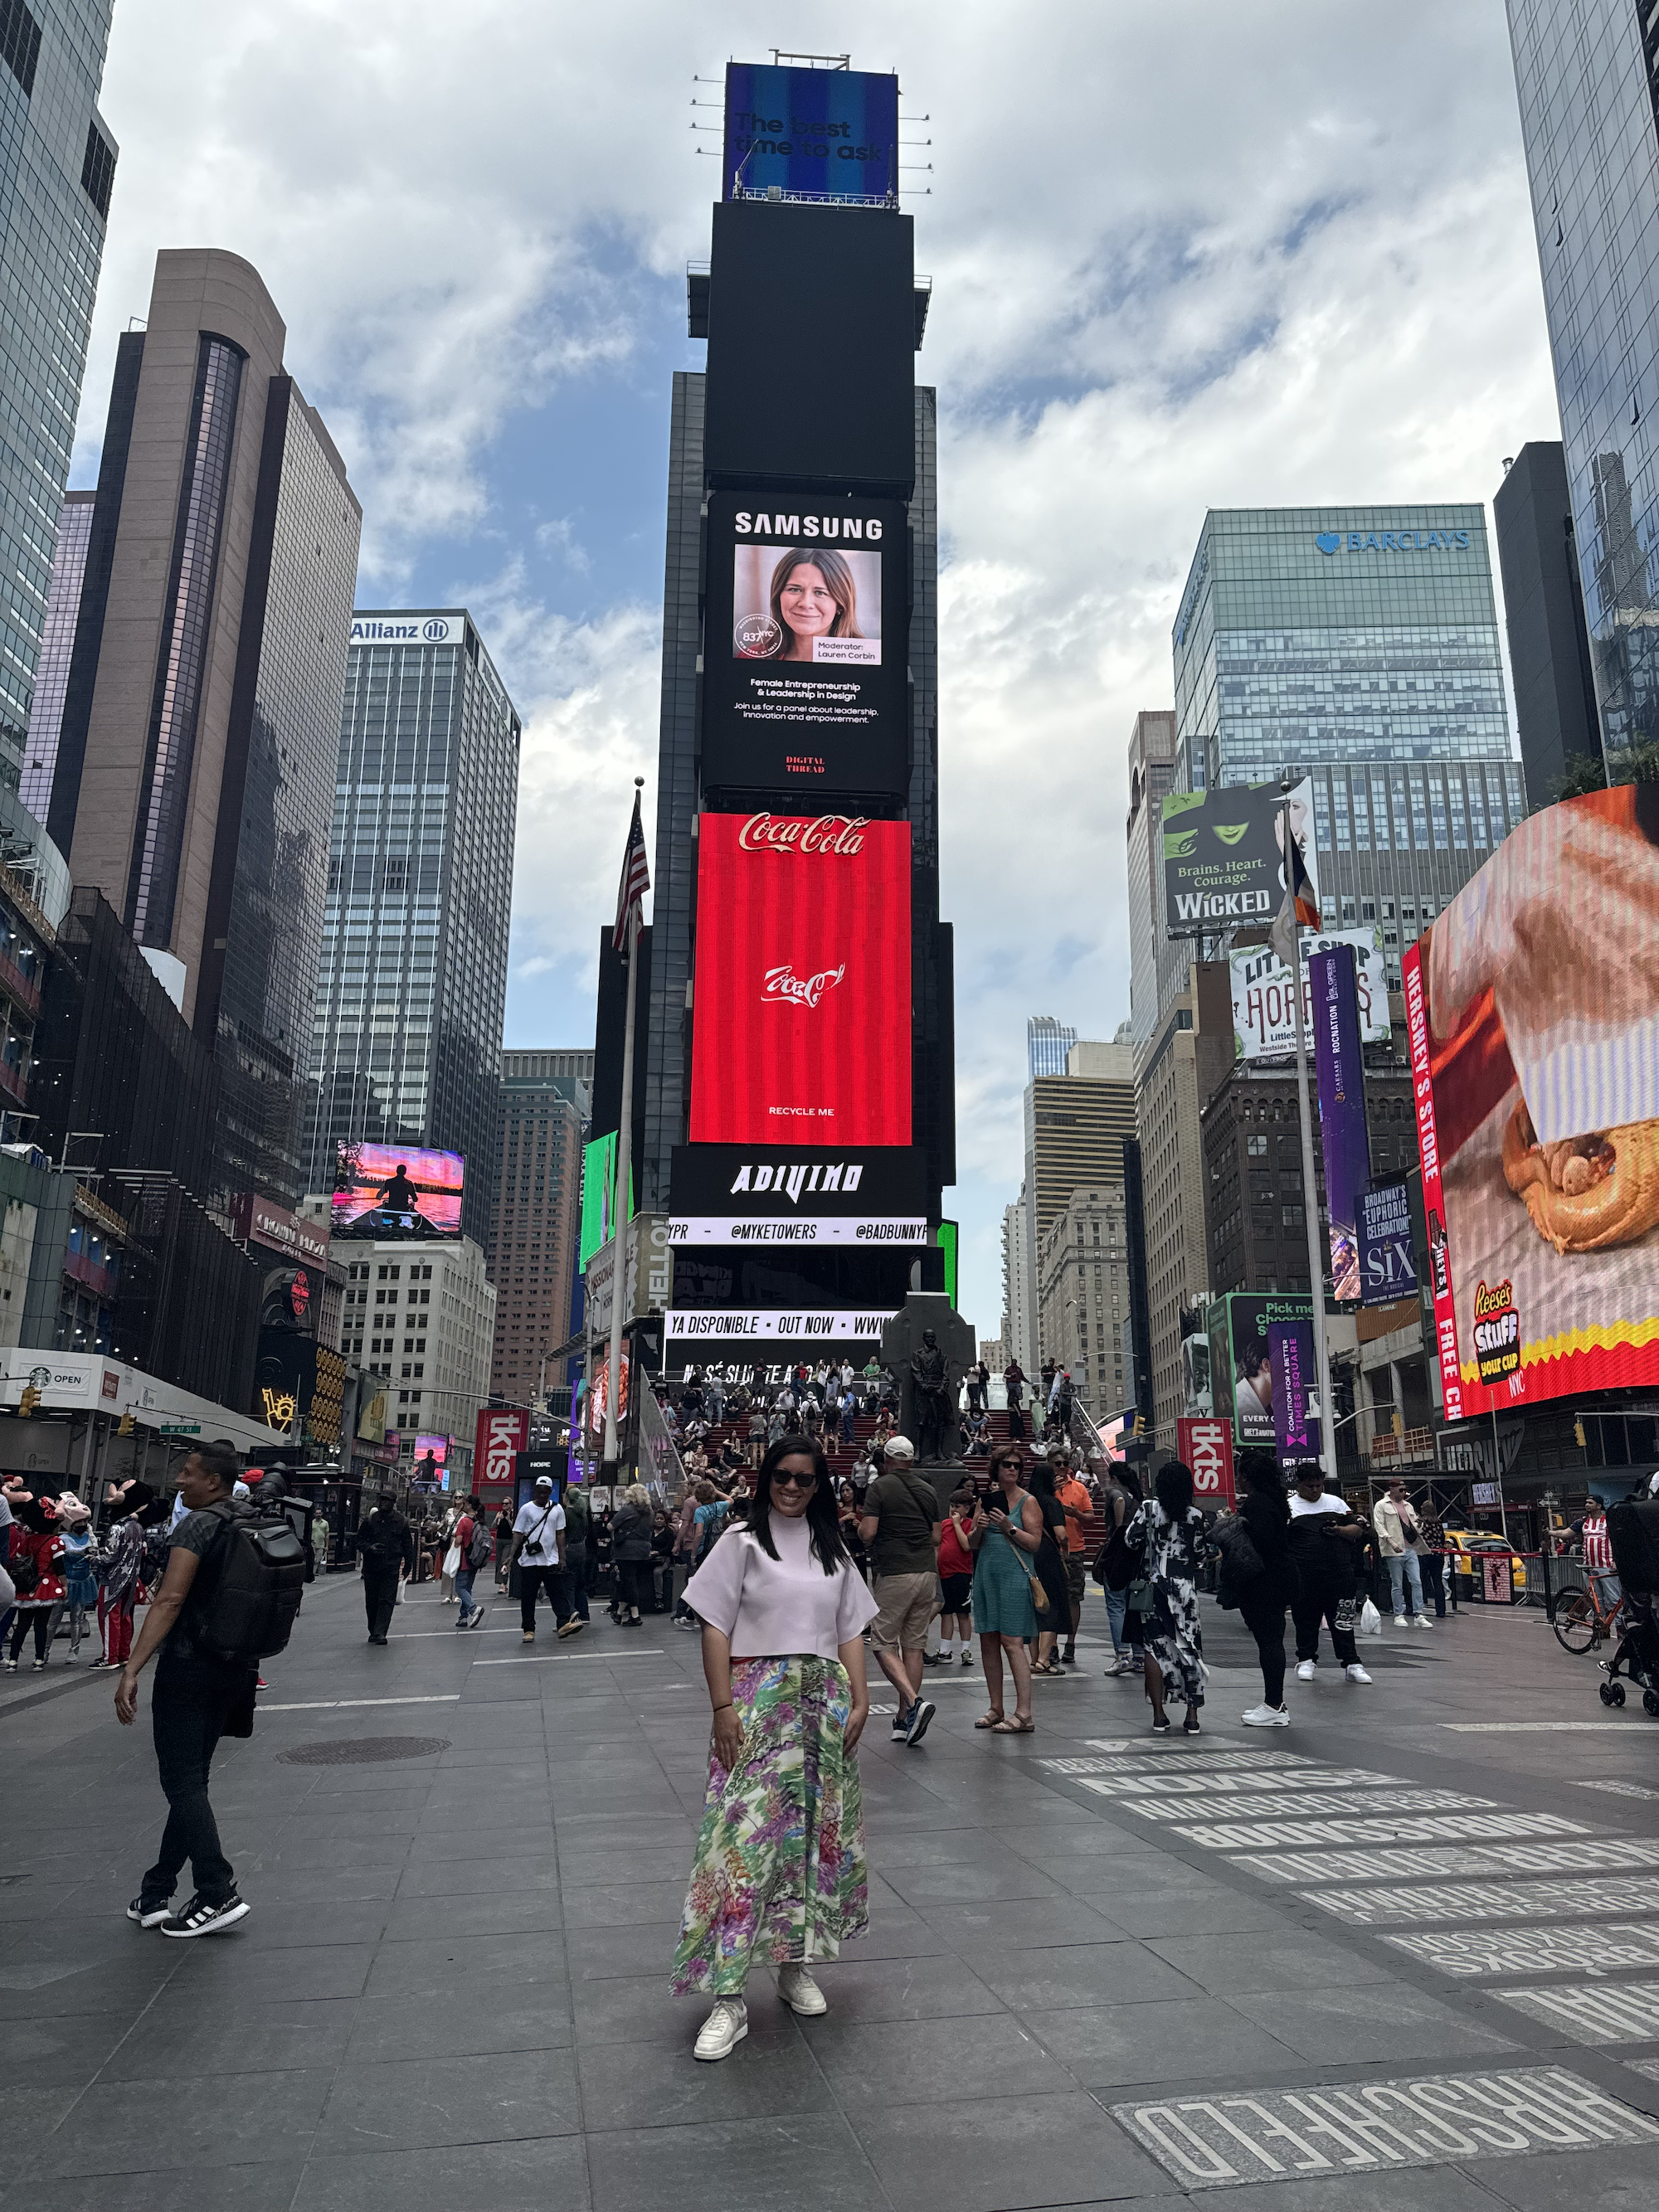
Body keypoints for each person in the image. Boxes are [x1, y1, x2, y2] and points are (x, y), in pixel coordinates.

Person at [672, 1435, 876, 2061]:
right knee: (740, 1842)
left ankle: (795, 1963)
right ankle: (728, 1996)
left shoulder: (832, 1549)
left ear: (820, 1485)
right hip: (756, 1702)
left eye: (806, 1479)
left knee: (812, 1839)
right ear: (766, 1479)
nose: (793, 1487)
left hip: (822, 1706)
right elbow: (715, 1623)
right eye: (783, 1476)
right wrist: (722, 1705)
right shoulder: (740, 1541)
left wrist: (862, 1697)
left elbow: (850, 1631)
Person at [114, 1442, 256, 1938]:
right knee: (192, 1781)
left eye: (188, 1472)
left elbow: (170, 1599)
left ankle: (218, 1889)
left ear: (214, 1481)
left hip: (190, 1669)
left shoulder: (198, 1524)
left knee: (182, 1782)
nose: (178, 1480)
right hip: (233, 1669)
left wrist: (132, 1669)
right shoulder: (247, 1517)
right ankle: (156, 1892)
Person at [858, 1436, 941, 1747]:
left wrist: (857, 1527)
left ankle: (914, 1701)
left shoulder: (880, 1487)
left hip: (895, 1571)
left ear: (888, 1460)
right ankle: (905, 1719)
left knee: (881, 1643)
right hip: (926, 1572)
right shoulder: (929, 1490)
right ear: (911, 1460)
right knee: (914, 1646)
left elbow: (868, 1532)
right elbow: (935, 1537)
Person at [1123, 1461, 1210, 1733]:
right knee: (1190, 1650)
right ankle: (1192, 1716)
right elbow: (1201, 1554)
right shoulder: (1195, 1515)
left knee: (1154, 1648)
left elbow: (1130, 1540)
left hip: (1154, 1588)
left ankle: (1159, 1715)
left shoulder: (1149, 1510)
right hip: (1184, 1590)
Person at [967, 1442, 1041, 1733]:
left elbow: (1034, 1543)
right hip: (987, 1573)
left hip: (1014, 1575)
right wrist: (982, 1527)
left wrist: (1009, 1527)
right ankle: (996, 1706)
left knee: (1012, 1643)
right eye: (1007, 1464)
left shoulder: (1028, 1501)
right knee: (988, 1641)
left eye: (1017, 1466)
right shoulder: (985, 1501)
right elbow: (972, 1543)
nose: (1012, 1469)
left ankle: (1024, 1713)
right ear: (996, 1469)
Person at [1288, 1462, 1373, 1686]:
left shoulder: (1336, 1503)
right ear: (1299, 1485)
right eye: (1310, 1486)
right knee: (1305, 1620)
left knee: (1343, 1620)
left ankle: (1352, 1662)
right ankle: (1306, 1659)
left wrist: (1339, 1531)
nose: (1315, 1490)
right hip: (1305, 1575)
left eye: (1318, 1485)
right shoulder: (1289, 1508)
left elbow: (1357, 1529)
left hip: (1339, 1573)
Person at [1232, 1451, 1297, 1726]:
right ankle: (1274, 1703)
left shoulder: (1258, 1504)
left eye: (1239, 1475)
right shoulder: (1274, 1501)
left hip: (1265, 1581)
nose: (1237, 1480)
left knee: (1269, 1642)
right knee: (1271, 1640)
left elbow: (1258, 1542)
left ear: (1247, 1477)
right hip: (1278, 1578)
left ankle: (1275, 1704)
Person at [1024, 1460, 1074, 1676]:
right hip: (1048, 1557)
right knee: (1051, 1605)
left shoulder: (1026, 1500)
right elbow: (1061, 1533)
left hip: (1028, 1555)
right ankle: (1044, 1660)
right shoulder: (1050, 1502)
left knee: (1035, 1605)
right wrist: (1065, 1546)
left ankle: (1035, 1658)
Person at [4, 1497, 64, 1670]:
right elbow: (60, 1567)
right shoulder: (55, 1542)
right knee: (41, 1626)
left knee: (22, 1625)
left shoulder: (27, 1540)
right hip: (46, 1586)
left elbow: (20, 1557)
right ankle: (39, 1659)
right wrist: (64, 1585)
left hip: (27, 1586)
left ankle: (13, 1660)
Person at [511, 1475, 572, 1644]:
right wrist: (510, 1556)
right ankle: (529, 1629)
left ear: (551, 1492)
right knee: (529, 1596)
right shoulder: (526, 1509)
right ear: (535, 1490)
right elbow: (518, 1533)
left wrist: (562, 1557)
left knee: (557, 1593)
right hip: (530, 1561)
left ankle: (563, 1623)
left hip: (550, 1560)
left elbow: (560, 1533)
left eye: (546, 1492)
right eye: (540, 1491)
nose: (542, 1495)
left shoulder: (557, 1509)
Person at [1374, 1479, 1432, 1629]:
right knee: (1397, 1583)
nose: (1404, 1493)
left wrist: (1420, 1525)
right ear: (1391, 1489)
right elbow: (1379, 1525)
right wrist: (1391, 1543)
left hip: (1410, 1548)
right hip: (1394, 1550)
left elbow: (1414, 1524)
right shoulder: (1381, 1505)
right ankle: (1399, 1614)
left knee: (1416, 1581)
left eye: (1405, 1490)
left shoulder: (1408, 1505)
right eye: (1400, 1490)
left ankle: (1419, 1614)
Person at [1099, 1466, 1141, 1677]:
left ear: (1114, 1478)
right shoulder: (1138, 1495)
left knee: (1116, 1605)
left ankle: (1122, 1655)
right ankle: (1140, 1656)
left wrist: (1116, 1529)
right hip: (1137, 1556)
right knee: (1135, 1606)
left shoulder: (1116, 1492)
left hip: (1118, 1556)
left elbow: (1118, 1501)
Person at [1053, 1453, 1093, 1665]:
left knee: (1073, 1597)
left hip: (1074, 1549)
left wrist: (1075, 1513)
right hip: (1050, 1549)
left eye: (1065, 1463)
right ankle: (1050, 1645)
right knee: (1050, 1598)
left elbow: (1090, 1518)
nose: (1061, 1467)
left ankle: (1070, 1643)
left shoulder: (1079, 1488)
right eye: (1057, 1463)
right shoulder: (1043, 1488)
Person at [936, 1485, 977, 1665]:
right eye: (952, 1505)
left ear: (967, 1509)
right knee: (946, 1613)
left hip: (962, 1574)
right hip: (944, 1574)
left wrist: (957, 1525)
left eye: (958, 1507)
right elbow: (938, 1546)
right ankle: (945, 1650)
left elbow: (966, 1545)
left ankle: (966, 1649)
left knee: (963, 1613)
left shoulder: (968, 1525)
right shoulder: (944, 1524)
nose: (953, 1510)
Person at [612, 1484, 654, 1627]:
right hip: (644, 1549)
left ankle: (635, 1616)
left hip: (626, 1550)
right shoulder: (650, 1512)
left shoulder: (627, 1510)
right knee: (631, 1582)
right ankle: (619, 1613)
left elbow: (610, 1526)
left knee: (629, 1582)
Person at [451, 1496, 487, 1630]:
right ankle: (463, 1617)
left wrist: (455, 1538)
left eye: (465, 1503)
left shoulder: (464, 1521)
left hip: (464, 1559)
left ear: (469, 1505)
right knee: (467, 1588)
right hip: (475, 1560)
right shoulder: (479, 1520)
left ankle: (474, 1609)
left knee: (459, 1588)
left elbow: (458, 1541)